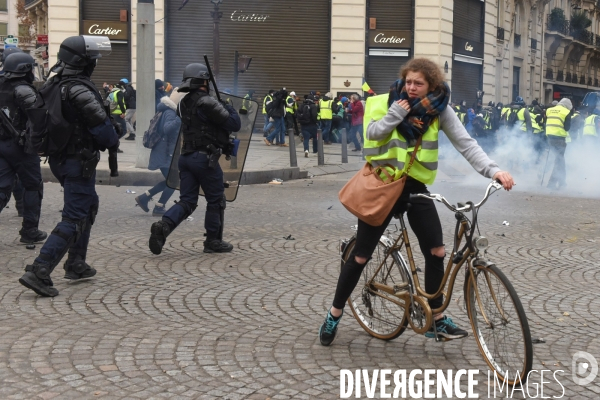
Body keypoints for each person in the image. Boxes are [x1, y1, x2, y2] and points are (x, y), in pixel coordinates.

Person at [318, 57, 515, 346]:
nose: (411, 87)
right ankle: (334, 314)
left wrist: (494, 170)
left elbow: (466, 144)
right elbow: (371, 134)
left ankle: (434, 317)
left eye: (418, 83)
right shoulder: (384, 102)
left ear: (431, 86)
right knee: (360, 255)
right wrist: (395, 114)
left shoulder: (440, 110)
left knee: (437, 251)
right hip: (382, 185)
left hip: (414, 187)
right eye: (408, 81)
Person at [18, 35, 119, 297]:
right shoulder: (79, 89)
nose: (94, 64)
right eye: (92, 59)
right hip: (77, 161)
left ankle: (76, 263)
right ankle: (39, 269)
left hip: (61, 160)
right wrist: (114, 130)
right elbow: (105, 135)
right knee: (74, 216)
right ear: (82, 61)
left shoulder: (54, 84)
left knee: (88, 206)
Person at [148, 63, 241, 255]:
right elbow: (234, 123)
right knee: (216, 200)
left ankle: (164, 226)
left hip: (186, 157)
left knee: (187, 201)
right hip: (205, 159)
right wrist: (228, 107)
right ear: (203, 80)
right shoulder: (207, 102)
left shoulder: (184, 103)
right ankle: (213, 241)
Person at [0, 52, 47, 244]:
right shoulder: (23, 89)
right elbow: (40, 117)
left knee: (2, 187)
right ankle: (30, 231)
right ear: (24, 70)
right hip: (21, 146)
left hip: (2, 145)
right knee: (33, 186)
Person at [135, 90, 184, 216]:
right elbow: (167, 128)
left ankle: (144, 197)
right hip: (165, 154)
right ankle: (159, 207)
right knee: (173, 182)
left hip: (165, 153)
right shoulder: (170, 113)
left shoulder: (167, 111)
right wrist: (180, 118)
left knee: (170, 181)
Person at [545, 98, 573, 190]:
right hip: (560, 139)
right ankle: (551, 184)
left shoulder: (549, 110)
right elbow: (567, 128)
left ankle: (562, 182)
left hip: (549, 138)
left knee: (560, 160)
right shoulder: (566, 112)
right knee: (559, 161)